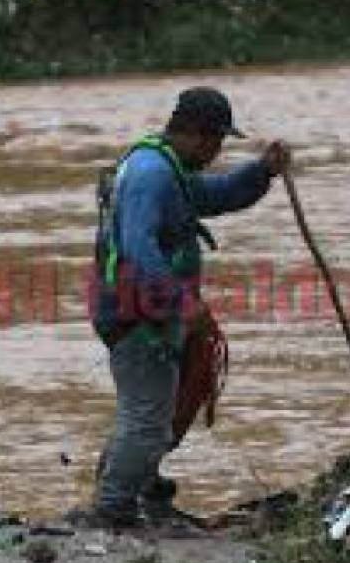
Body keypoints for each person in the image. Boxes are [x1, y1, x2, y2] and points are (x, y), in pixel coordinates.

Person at [88, 87, 291, 527]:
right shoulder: (150, 174)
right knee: (147, 417)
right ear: (197, 135)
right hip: (134, 315)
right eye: (216, 142)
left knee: (159, 409)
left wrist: (261, 173)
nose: (217, 152)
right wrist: (178, 301)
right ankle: (113, 510)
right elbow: (137, 247)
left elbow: (214, 195)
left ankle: (138, 490)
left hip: (150, 311)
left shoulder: (169, 168)